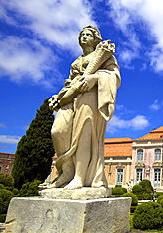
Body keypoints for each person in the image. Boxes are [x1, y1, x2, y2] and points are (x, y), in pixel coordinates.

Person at [48, 25, 120, 190]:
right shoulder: (77, 62)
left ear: (95, 39)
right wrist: (58, 97)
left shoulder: (105, 56)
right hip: (70, 99)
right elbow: (69, 83)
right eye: (82, 34)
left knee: (84, 137)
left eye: (88, 34)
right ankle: (66, 171)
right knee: (58, 131)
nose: (84, 36)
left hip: (90, 97)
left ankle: (79, 177)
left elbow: (114, 78)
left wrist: (95, 78)